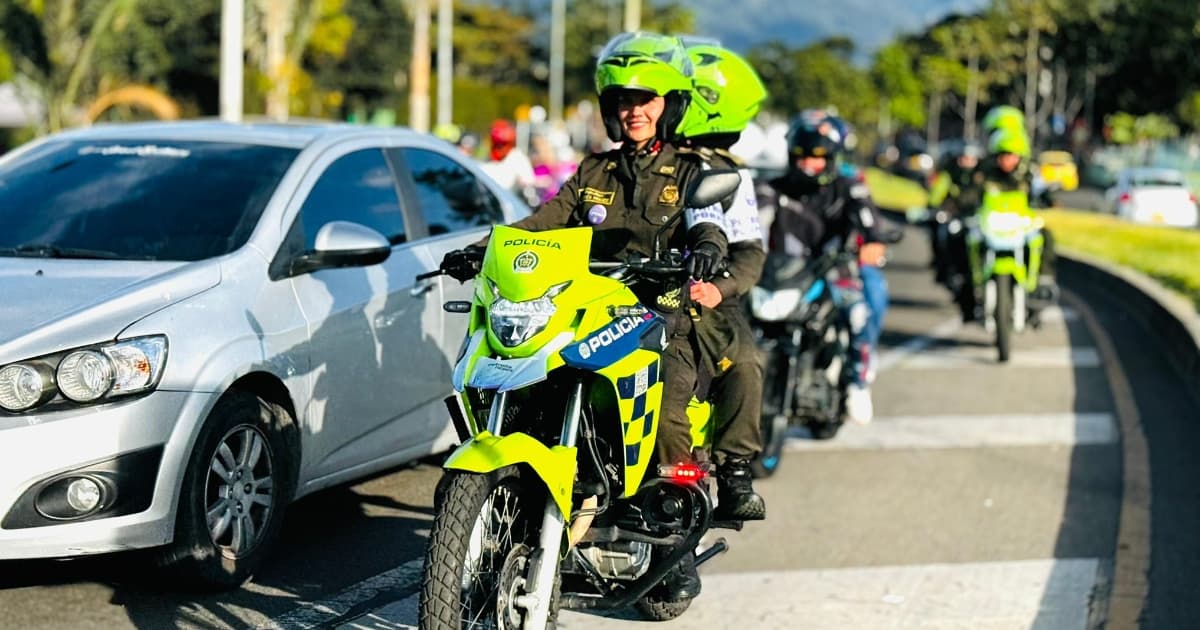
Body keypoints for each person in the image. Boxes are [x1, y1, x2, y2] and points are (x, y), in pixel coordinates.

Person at [441, 32, 732, 603]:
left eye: (647, 98)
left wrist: (706, 248)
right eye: (624, 99)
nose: (635, 109)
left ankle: (673, 543)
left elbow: (706, 221)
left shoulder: (689, 170)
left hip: (658, 310)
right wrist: (483, 249)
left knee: (670, 395)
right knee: (526, 378)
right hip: (588, 305)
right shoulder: (593, 171)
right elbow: (544, 220)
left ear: (668, 105)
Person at [674, 38, 767, 522]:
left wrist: (719, 288)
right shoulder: (626, 163)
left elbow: (750, 252)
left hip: (705, 299)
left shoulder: (728, 176)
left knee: (745, 359)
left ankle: (734, 471)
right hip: (630, 292)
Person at [764, 113, 888, 425]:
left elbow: (869, 222)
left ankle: (859, 383)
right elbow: (751, 218)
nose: (809, 163)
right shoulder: (772, 187)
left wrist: (873, 242)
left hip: (834, 270)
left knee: (860, 312)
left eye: (818, 157)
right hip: (782, 273)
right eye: (802, 156)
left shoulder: (849, 186)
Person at [956, 125, 1059, 320]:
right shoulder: (984, 174)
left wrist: (1048, 199)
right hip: (991, 225)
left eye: (1011, 155)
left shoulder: (1027, 174)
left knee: (1044, 237)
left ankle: (1042, 281)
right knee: (964, 238)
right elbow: (970, 194)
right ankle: (968, 288)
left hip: (1018, 225)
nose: (1007, 160)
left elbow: (1041, 192)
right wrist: (963, 202)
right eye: (1003, 155)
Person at [479, 119, 536, 203]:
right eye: (497, 144)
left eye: (503, 144)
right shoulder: (486, 159)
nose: (499, 148)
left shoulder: (517, 158)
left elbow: (529, 182)